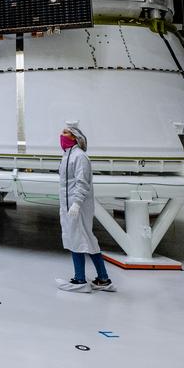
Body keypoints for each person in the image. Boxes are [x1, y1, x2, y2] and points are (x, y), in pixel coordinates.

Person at [56, 124, 114, 293]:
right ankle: (103, 279)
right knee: (85, 240)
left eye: (65, 132)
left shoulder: (80, 157)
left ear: (75, 137)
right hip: (69, 206)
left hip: (77, 207)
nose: (61, 135)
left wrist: (76, 203)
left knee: (78, 240)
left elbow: (82, 183)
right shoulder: (67, 156)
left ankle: (80, 279)